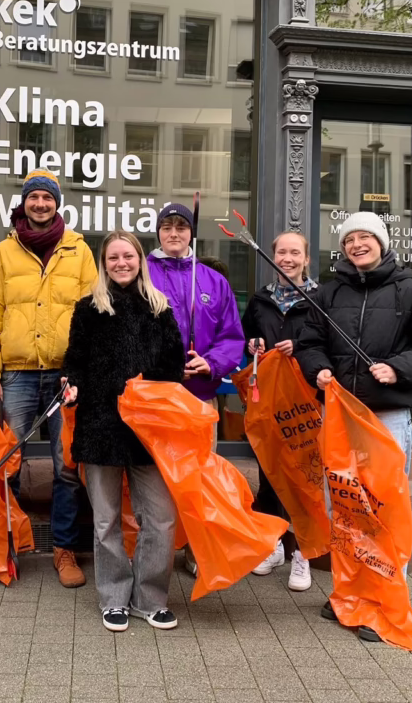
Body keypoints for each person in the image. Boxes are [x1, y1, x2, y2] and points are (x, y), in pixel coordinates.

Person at [295, 211, 412, 642]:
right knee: (344, 507)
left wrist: (398, 369)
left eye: (366, 237)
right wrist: (319, 370)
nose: (357, 244)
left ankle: (382, 600)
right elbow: (309, 343)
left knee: (382, 511)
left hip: (385, 416)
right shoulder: (330, 293)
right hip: (340, 416)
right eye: (350, 239)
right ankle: (348, 593)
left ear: (382, 243)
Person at [61, 231, 186, 632]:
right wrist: (71, 383)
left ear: (139, 260)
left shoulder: (160, 308)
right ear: (104, 263)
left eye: (128, 256)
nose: (121, 263)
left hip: (149, 431)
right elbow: (74, 361)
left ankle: (150, 598)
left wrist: (148, 394)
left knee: (161, 519)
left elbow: (173, 367)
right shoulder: (87, 309)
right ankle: (114, 597)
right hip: (100, 426)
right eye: (113, 257)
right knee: (106, 520)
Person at [0, 168, 97, 588]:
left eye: (48, 198)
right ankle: (0, 548)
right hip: (17, 376)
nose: (41, 204)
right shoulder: (3, 253)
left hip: (65, 377)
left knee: (67, 466)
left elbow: (93, 318)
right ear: (24, 203)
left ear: (57, 203)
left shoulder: (79, 251)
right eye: (34, 198)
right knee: (5, 464)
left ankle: (64, 551)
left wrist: (81, 372)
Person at [147, 203, 244, 576]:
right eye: (167, 226)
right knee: (154, 480)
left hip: (200, 396)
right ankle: (153, 553)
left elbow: (231, 335)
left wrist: (212, 363)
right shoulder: (142, 273)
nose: (174, 233)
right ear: (158, 232)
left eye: (181, 227)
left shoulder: (212, 280)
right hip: (156, 398)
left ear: (191, 233)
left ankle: (195, 550)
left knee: (200, 478)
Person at [241, 231, 319, 592]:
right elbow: (248, 338)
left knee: (305, 476)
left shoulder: (321, 298)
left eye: (294, 252)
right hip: (271, 401)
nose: (287, 258)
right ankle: (272, 545)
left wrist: (300, 347)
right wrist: (253, 344)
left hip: (307, 402)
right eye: (281, 252)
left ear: (306, 259)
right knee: (270, 472)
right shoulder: (260, 300)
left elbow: (329, 343)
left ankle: (302, 551)